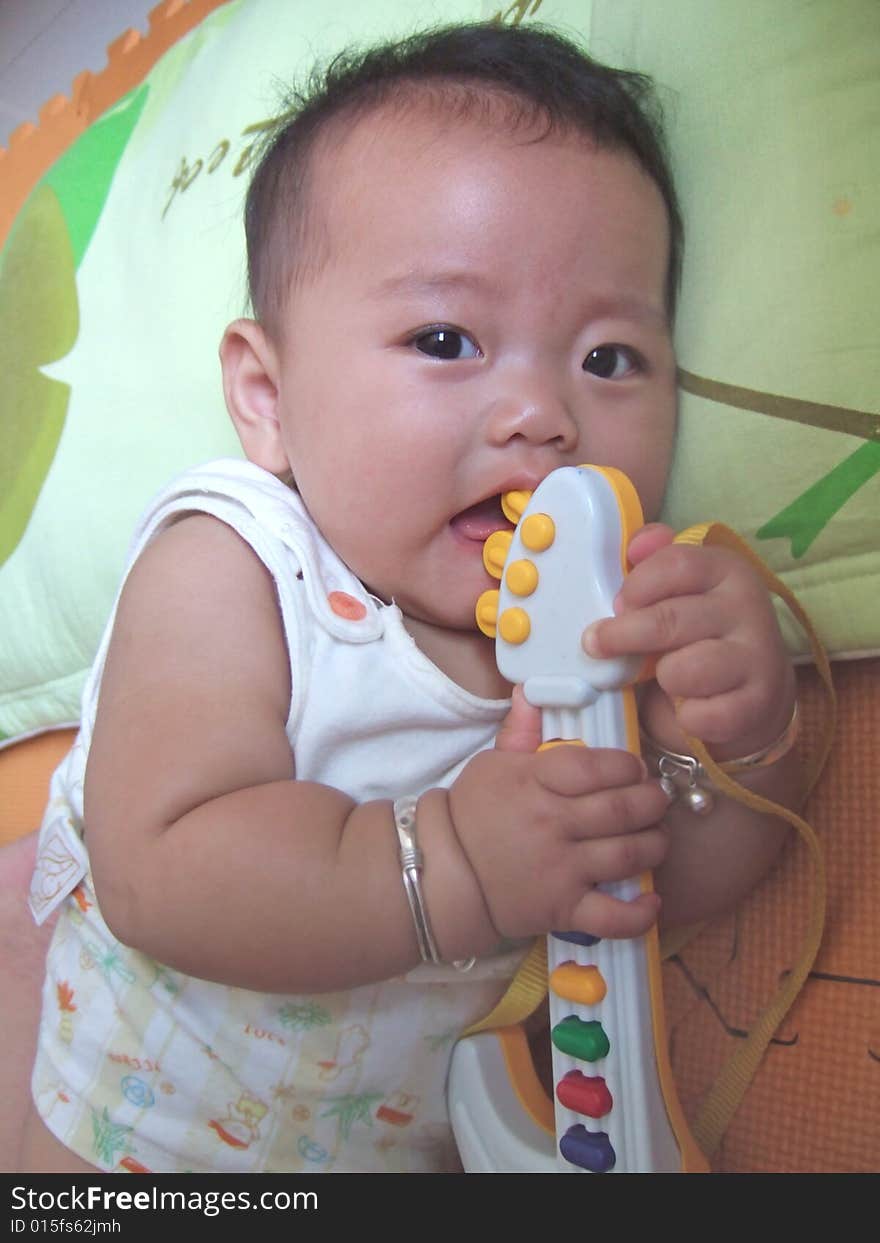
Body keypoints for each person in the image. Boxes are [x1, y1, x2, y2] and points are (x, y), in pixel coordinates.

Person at [15, 21, 802, 1174]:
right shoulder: (237, 560)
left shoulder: (606, 632)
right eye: (446, 338)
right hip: (132, 1146)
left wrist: (738, 733)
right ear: (269, 398)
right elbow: (162, 864)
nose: (541, 413)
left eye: (607, 358)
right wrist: (459, 861)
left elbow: (667, 888)